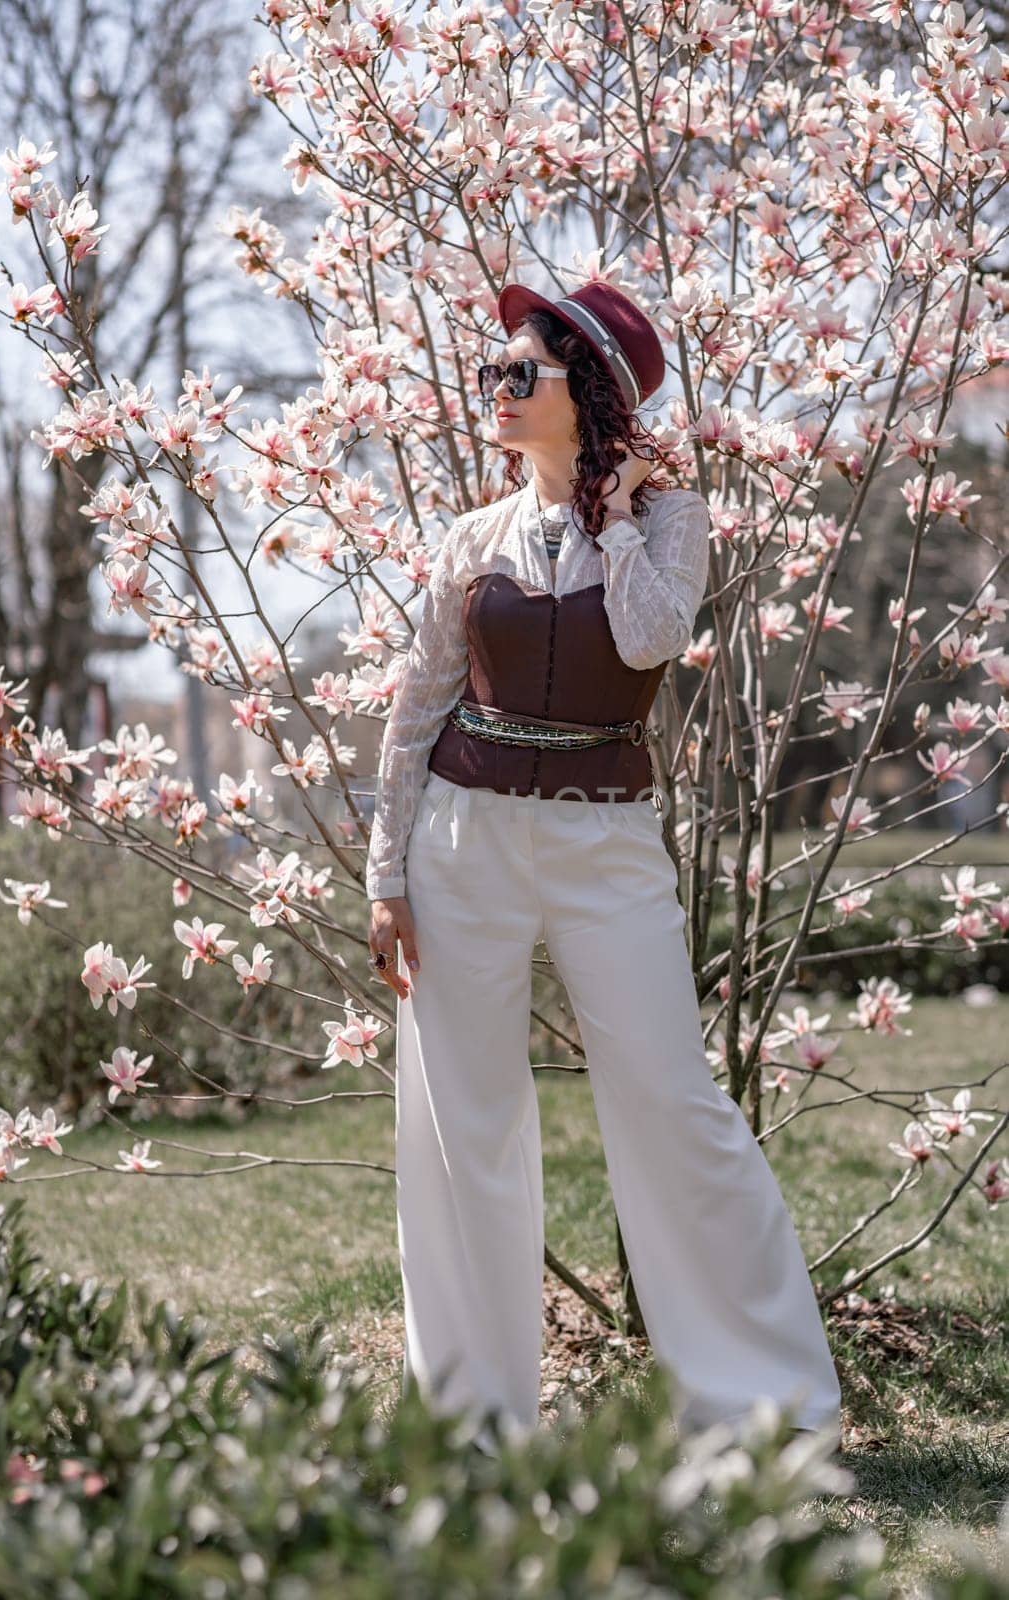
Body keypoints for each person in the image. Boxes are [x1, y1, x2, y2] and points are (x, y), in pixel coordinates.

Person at [365, 280, 842, 1453]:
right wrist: (385, 872)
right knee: (457, 1119)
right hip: (461, 838)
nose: (498, 389)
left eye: (519, 372)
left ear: (586, 390)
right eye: (495, 371)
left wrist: (616, 514)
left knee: (670, 1101)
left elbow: (646, 639)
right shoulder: (466, 541)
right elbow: (415, 706)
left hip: (603, 839)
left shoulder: (671, 520)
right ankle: (472, 1424)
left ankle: (757, 1408)